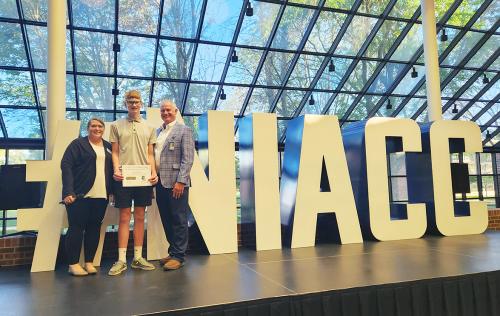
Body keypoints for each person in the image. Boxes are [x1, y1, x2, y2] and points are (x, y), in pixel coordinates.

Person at [108, 90, 158, 276]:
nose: (134, 104)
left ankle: (137, 258)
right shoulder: (115, 125)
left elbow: (150, 154)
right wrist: (116, 169)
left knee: (139, 217)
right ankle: (121, 260)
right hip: (124, 178)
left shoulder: (150, 127)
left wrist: (153, 172)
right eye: (130, 101)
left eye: (136, 101)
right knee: (123, 217)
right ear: (125, 104)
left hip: (144, 178)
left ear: (141, 103)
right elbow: (114, 152)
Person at [61, 118, 113, 276]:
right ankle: (73, 264)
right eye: (93, 126)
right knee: (76, 228)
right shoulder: (77, 144)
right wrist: (68, 191)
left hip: (101, 195)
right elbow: (66, 165)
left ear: (103, 129)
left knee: (94, 228)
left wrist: (113, 192)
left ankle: (89, 262)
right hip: (79, 195)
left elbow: (114, 169)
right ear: (88, 128)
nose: (96, 129)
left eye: (99, 126)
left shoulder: (108, 147)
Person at [155, 100, 194, 271]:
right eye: (163, 110)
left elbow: (188, 158)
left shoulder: (184, 130)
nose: (165, 113)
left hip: (176, 183)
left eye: (168, 110)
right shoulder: (158, 132)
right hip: (160, 182)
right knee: (166, 219)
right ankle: (173, 251)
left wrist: (181, 181)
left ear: (176, 111)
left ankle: (179, 256)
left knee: (179, 219)